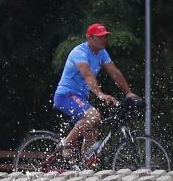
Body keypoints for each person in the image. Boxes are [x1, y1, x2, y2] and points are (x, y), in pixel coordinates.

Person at [53, 23, 139, 163]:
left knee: (94, 130)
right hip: (66, 95)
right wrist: (100, 94)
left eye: (105, 36)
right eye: (100, 37)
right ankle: (65, 144)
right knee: (94, 117)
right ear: (89, 37)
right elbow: (87, 75)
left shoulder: (102, 53)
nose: (103, 39)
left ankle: (82, 164)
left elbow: (115, 73)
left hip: (80, 98)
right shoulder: (79, 52)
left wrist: (129, 93)